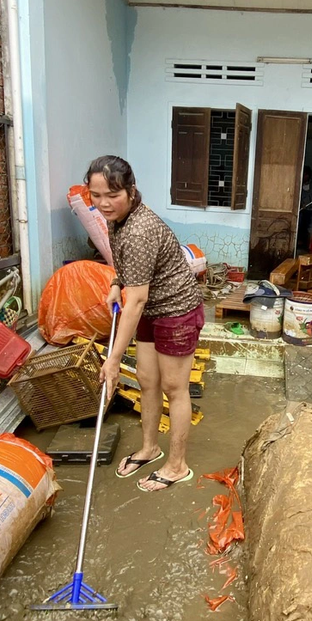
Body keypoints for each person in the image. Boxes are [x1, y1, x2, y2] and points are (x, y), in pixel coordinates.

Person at [87, 156, 205, 492]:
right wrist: (115, 281)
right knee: (146, 379)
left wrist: (111, 360)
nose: (104, 203)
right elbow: (126, 265)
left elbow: (135, 301)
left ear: (131, 190)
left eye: (112, 194)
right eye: (96, 195)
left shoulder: (140, 229)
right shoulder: (117, 219)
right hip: (152, 308)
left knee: (173, 387)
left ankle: (177, 465)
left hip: (176, 312)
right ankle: (150, 448)